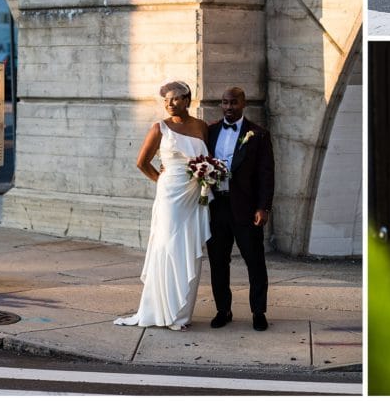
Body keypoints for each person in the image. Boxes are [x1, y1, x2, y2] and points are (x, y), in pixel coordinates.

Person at [115, 80, 211, 331]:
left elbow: (206, 159)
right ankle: (160, 309)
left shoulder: (201, 126)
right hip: (170, 196)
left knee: (190, 248)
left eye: (176, 98)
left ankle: (180, 314)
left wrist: (208, 176)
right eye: (166, 100)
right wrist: (162, 179)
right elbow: (142, 162)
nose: (170, 103)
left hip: (194, 195)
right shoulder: (159, 128)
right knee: (168, 246)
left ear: (188, 100)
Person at [206, 86, 275, 331]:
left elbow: (266, 175)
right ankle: (223, 310)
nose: (228, 107)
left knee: (254, 261)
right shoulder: (211, 131)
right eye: (224, 102)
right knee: (218, 262)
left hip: (245, 208)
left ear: (243, 103)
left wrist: (263, 207)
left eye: (233, 103)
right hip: (217, 206)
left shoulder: (258, 134)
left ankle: (258, 312)